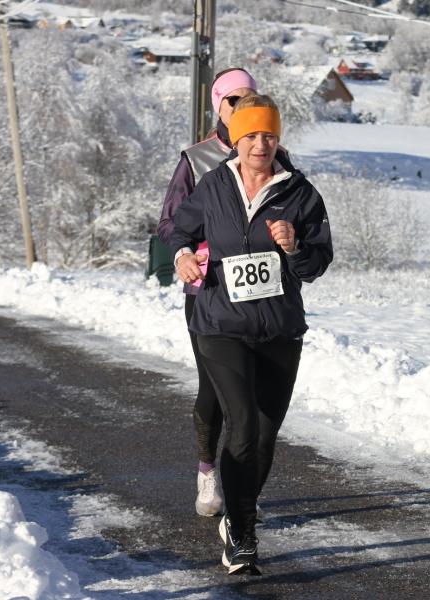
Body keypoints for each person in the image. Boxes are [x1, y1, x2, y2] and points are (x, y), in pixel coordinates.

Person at [169, 94, 333, 574]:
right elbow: (178, 230)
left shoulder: (300, 193)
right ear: (235, 138)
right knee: (242, 425)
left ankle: (239, 511)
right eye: (250, 135)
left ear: (278, 140)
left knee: (263, 435)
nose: (260, 144)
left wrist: (296, 245)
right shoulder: (215, 185)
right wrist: (182, 256)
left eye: (268, 135)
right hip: (220, 325)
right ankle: (242, 532)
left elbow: (318, 262)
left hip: (279, 329)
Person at [157, 67, 258, 518]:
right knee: (216, 388)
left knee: (253, 392)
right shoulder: (197, 159)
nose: (240, 107)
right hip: (209, 291)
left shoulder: (274, 154)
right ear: (217, 105)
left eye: (249, 97)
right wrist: (183, 253)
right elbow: (170, 223)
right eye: (232, 99)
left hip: (260, 295)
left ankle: (243, 490)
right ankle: (207, 472)